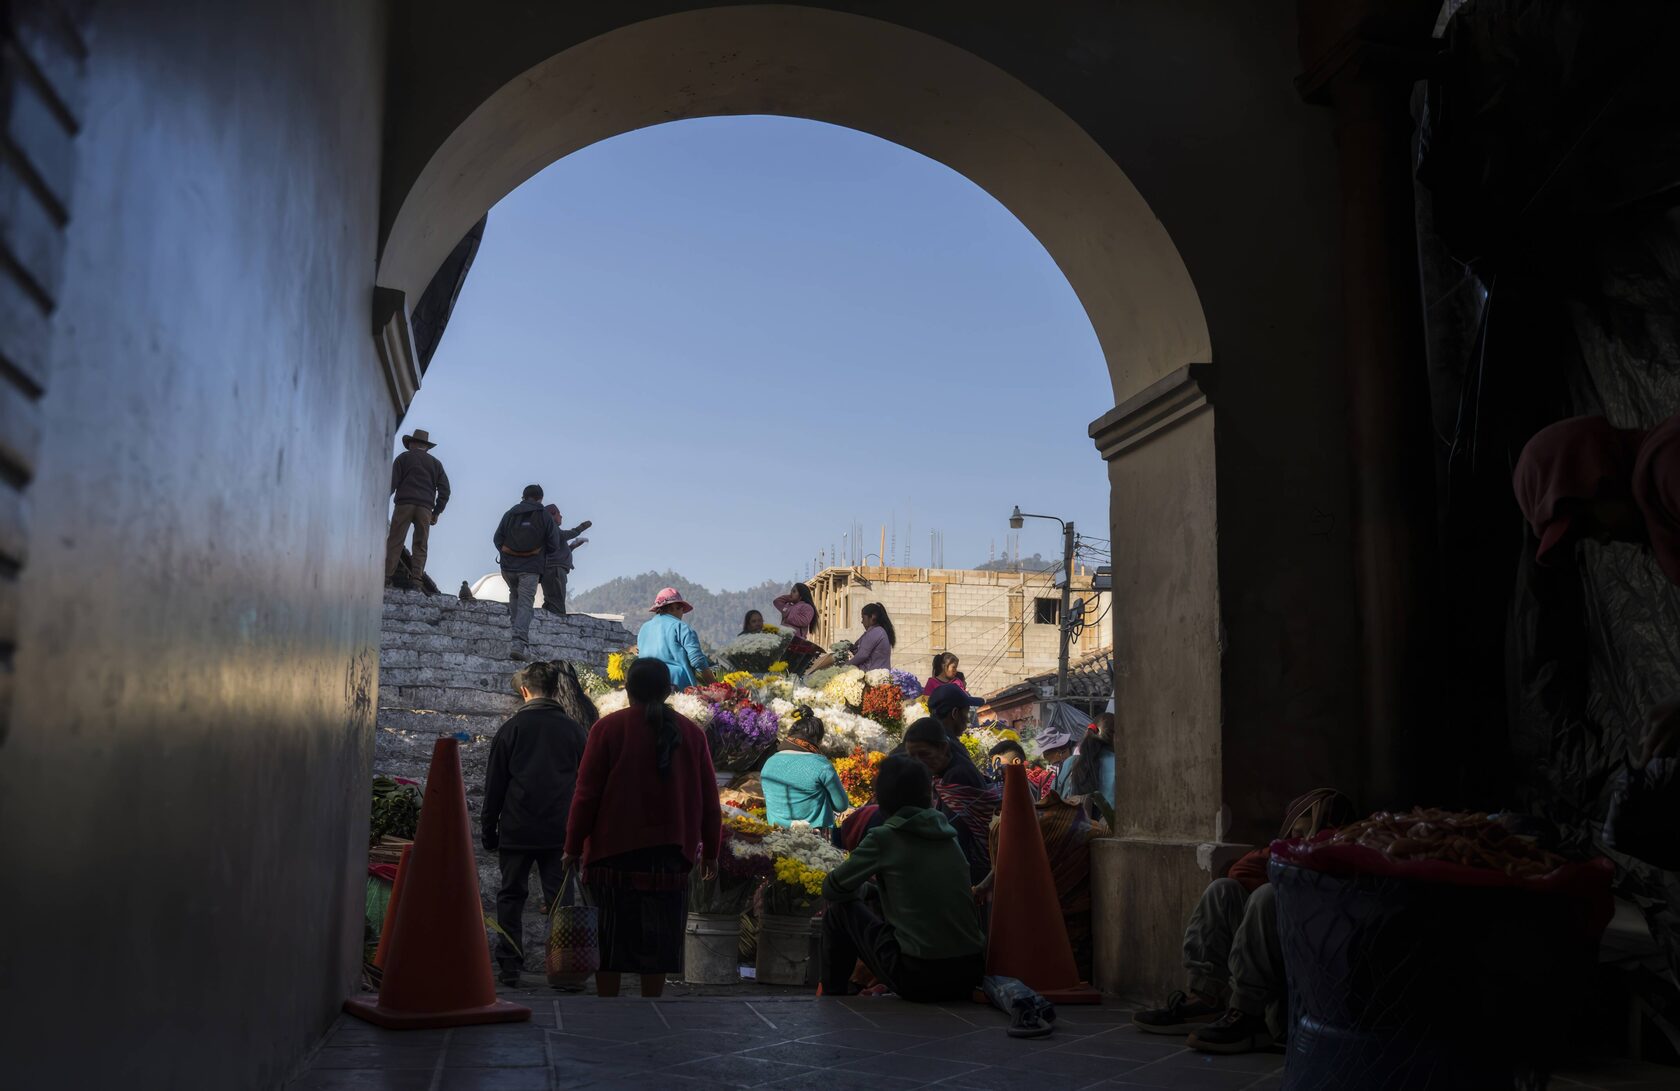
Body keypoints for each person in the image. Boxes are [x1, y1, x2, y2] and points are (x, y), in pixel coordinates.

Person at [1133, 788, 1356, 1054]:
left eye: (1301, 834)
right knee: (1223, 890)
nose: (1294, 839)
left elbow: (1257, 873)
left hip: (1311, 954)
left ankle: (1247, 1014)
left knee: (1267, 896)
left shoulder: (1344, 852)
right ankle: (1206, 998)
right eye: (1293, 833)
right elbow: (1241, 871)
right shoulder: (1288, 855)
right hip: (1281, 943)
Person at [564, 658, 722, 998]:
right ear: (668, 691)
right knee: (660, 940)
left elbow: (586, 795)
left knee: (610, 939)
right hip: (671, 855)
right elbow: (710, 800)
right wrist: (711, 852)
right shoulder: (692, 733)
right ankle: (652, 1005)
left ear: (627, 689)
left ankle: (609, 1006)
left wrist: (572, 847)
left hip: (611, 852)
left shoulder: (607, 729)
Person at [819, 754, 986, 1001]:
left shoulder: (884, 838)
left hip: (919, 976)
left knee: (839, 911)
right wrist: (872, 890)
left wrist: (863, 890)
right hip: (969, 973)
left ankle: (833, 998)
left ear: (881, 801)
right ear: (929, 797)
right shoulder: (948, 836)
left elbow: (831, 888)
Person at [481, 660, 591, 986]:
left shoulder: (511, 730)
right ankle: (564, 968)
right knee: (561, 900)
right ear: (556, 690)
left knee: (511, 896)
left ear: (525, 690)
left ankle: (510, 965)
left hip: (517, 830)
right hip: (560, 833)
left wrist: (489, 829)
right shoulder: (574, 731)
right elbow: (586, 786)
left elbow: (495, 786)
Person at [976, 784, 1109, 980]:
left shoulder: (1004, 827)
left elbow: (1001, 869)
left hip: (1046, 930)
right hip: (1065, 931)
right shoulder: (1081, 827)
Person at [903, 717, 996, 882]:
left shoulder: (955, 777)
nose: (917, 762)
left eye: (924, 754)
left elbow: (954, 837)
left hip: (974, 870)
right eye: (912, 756)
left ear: (943, 748)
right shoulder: (946, 769)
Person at [493, 485, 560, 660]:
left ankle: (516, 632)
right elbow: (554, 543)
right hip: (530, 567)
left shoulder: (510, 513)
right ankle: (518, 643)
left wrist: (511, 552)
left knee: (514, 596)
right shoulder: (544, 515)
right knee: (525, 604)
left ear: (523, 496)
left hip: (508, 567)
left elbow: (497, 538)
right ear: (540, 498)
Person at [760, 707, 850, 829]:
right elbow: (841, 806)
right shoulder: (821, 765)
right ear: (817, 740)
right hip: (815, 841)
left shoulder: (769, 763)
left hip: (775, 836)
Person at [384, 428, 450, 592]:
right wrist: (436, 512)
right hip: (425, 509)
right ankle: (416, 580)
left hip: (404, 505)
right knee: (420, 544)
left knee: (395, 541)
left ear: (412, 444)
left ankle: (386, 577)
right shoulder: (436, 464)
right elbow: (445, 490)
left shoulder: (403, 458)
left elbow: (391, 484)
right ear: (426, 446)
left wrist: (379, 503)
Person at [636, 587, 714, 689]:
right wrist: (713, 685)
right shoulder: (682, 628)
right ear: (674, 607)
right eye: (681, 609)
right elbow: (697, 660)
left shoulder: (644, 628)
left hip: (646, 685)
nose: (682, 613)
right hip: (676, 686)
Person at [805, 602, 896, 673]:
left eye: (863, 618)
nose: (862, 622)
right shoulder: (874, 631)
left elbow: (862, 655)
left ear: (873, 617)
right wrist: (849, 646)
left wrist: (844, 667)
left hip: (874, 674)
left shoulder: (876, 632)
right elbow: (860, 650)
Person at [1057, 712, 1117, 817]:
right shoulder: (1123, 766)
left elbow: (1054, 797)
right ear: (1115, 737)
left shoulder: (1069, 763)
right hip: (1108, 830)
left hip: (1072, 828)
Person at [539, 504, 591, 616]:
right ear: (552, 515)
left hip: (554, 570)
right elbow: (567, 534)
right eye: (559, 514)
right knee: (557, 603)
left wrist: (572, 546)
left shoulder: (552, 530)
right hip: (555, 570)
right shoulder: (551, 529)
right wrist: (581, 528)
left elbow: (557, 552)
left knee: (553, 601)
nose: (561, 517)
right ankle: (555, 627)